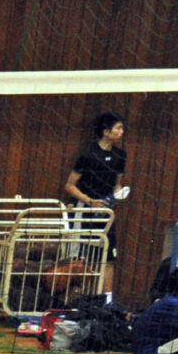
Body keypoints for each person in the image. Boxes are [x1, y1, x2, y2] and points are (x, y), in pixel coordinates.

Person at [66, 111, 129, 295]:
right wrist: (90, 201)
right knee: (80, 258)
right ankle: (78, 298)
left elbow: (117, 185)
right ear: (106, 132)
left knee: (108, 258)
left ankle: (107, 301)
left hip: (106, 214)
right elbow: (69, 186)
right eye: (118, 128)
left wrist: (118, 195)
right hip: (85, 211)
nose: (122, 132)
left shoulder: (120, 156)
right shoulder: (88, 155)